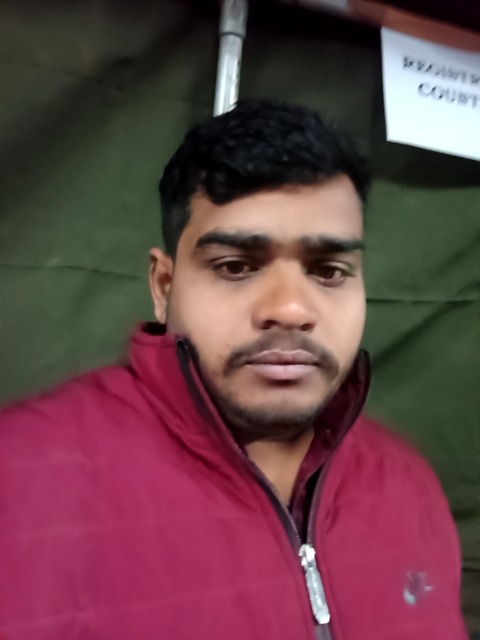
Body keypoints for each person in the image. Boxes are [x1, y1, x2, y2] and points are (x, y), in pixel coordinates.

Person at [0, 99, 467, 640]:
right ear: (164, 287)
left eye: (329, 272)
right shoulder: (22, 477)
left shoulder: (407, 484)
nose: (290, 309)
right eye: (237, 266)